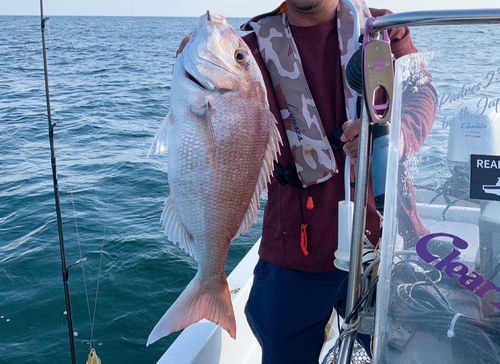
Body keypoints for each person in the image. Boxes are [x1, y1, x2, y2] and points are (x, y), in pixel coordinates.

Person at [177, 1, 436, 362]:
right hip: (294, 252)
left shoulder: (383, 29)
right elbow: (215, 140)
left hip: (385, 240)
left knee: (399, 352)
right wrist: (191, 76)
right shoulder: (246, 51)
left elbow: (422, 92)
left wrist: (396, 138)